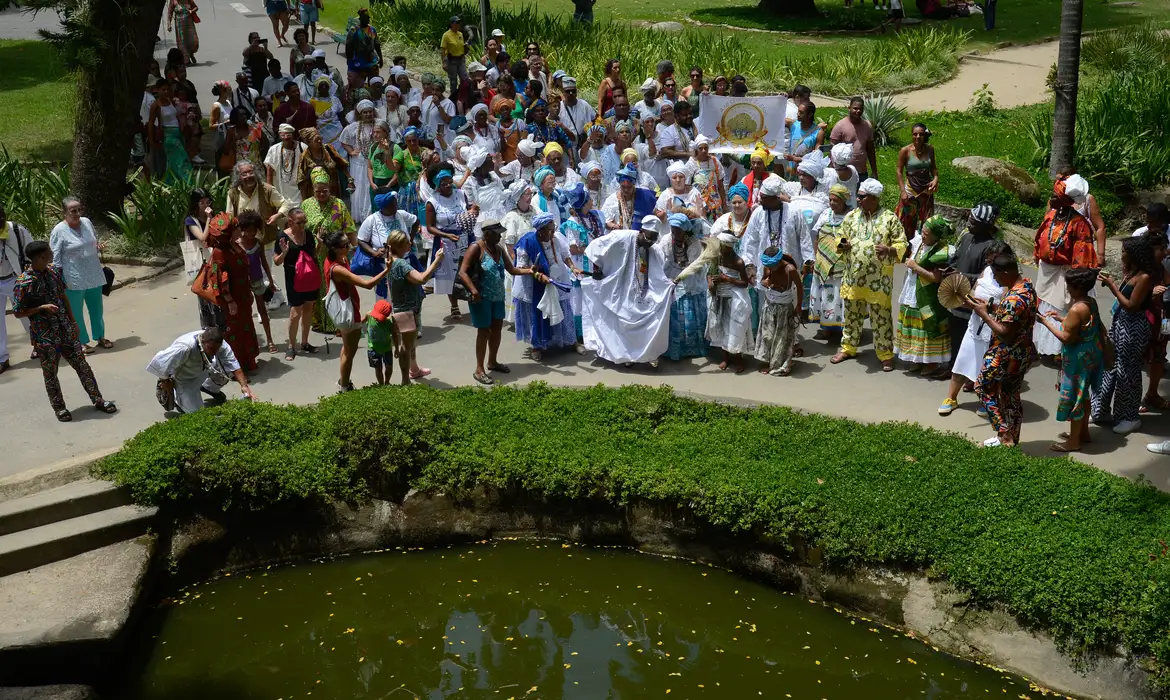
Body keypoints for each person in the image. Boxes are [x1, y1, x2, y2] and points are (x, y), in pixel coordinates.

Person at [12, 241, 117, 421]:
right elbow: (17, 312)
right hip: (44, 336)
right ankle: (59, 408)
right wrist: (40, 308)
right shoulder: (24, 282)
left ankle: (98, 399)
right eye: (49, 251)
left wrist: (74, 322)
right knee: (50, 374)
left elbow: (63, 297)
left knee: (82, 366)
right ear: (41, 256)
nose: (52, 253)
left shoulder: (54, 272)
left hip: (65, 329)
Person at [830, 179, 907, 371]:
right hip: (853, 278)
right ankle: (848, 348)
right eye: (858, 196)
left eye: (862, 197)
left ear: (874, 198)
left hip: (878, 281)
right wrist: (843, 243)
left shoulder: (889, 218)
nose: (858, 199)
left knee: (882, 318)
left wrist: (889, 249)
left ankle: (885, 354)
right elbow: (839, 236)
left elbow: (902, 243)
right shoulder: (851, 216)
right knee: (851, 315)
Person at [580, 215, 673, 367]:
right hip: (618, 287)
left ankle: (647, 353)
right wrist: (597, 269)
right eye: (649, 238)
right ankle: (626, 356)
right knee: (622, 322)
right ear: (641, 231)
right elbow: (595, 247)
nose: (651, 242)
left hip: (640, 290)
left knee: (648, 319)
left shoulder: (653, 249)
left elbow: (658, 274)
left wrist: (667, 286)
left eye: (654, 239)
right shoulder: (621, 237)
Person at [1092, 236, 1158, 435]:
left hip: (1134, 327)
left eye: (1124, 251)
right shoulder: (1131, 272)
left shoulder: (1144, 277)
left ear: (1134, 254)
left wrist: (1112, 286)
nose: (1121, 254)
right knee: (1110, 365)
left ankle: (1129, 417)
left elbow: (1131, 306)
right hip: (1120, 323)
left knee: (1127, 372)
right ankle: (1101, 410)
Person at [973, 251, 1037, 448]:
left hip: (1005, 355)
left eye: (996, 274)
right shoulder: (1027, 288)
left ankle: (1004, 435)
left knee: (983, 387)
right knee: (1010, 394)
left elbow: (1005, 333)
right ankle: (1012, 439)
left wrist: (984, 314)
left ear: (1007, 272)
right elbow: (1014, 315)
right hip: (1022, 353)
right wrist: (991, 307)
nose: (995, 279)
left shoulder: (1013, 299)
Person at [939, 240, 1010, 417]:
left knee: (988, 368)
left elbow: (1008, 308)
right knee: (962, 360)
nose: (990, 264)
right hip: (975, 325)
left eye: (994, 260)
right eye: (989, 260)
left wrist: (988, 307)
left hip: (992, 328)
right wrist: (967, 300)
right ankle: (951, 398)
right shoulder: (986, 271)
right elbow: (974, 291)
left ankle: (987, 401)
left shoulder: (1008, 279)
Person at [1037, 268, 1105, 452]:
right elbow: (1084, 326)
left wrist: (1046, 323)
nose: (1067, 288)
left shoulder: (1076, 309)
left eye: (1068, 286)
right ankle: (1083, 433)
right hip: (1091, 354)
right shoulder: (1090, 302)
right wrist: (1062, 319)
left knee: (1076, 397)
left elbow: (1067, 338)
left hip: (1078, 359)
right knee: (1084, 394)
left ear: (1076, 287)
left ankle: (1074, 441)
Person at [1033, 175, 1099, 358]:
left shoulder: (1079, 224)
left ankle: (1060, 349)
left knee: (1062, 307)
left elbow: (1082, 256)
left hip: (1065, 274)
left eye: (1055, 195)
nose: (1051, 197)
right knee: (1044, 305)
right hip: (1047, 272)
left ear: (1065, 199)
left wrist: (1073, 278)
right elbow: (1039, 240)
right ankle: (1044, 347)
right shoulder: (1050, 216)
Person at [459, 219, 532, 384]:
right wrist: (473, 290)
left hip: (498, 297)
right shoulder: (476, 248)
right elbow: (463, 272)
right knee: (483, 332)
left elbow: (511, 269)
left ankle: (492, 361)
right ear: (487, 234)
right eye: (497, 234)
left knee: (497, 329)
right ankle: (479, 369)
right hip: (481, 298)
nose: (500, 237)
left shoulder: (498, 249)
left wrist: (529, 271)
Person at [740, 175, 813, 334]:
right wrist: (749, 264)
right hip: (765, 269)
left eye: (764, 198)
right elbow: (750, 241)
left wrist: (808, 261)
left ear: (775, 198)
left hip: (788, 268)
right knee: (766, 307)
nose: (760, 201)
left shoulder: (794, 212)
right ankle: (768, 340)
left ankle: (790, 340)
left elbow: (804, 238)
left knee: (790, 306)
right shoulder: (758, 213)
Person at [322, 231, 389, 392]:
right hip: (349, 313)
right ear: (335, 249)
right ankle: (345, 387)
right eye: (345, 245)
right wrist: (387, 269)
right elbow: (367, 284)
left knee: (346, 348)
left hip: (346, 310)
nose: (350, 247)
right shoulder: (337, 268)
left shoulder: (336, 259)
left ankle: (343, 380)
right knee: (349, 353)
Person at [513, 212, 582, 361]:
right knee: (537, 313)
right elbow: (522, 267)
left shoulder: (556, 239)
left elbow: (565, 255)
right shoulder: (527, 242)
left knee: (564, 310)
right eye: (550, 230)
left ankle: (572, 341)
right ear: (540, 230)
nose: (552, 233)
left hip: (557, 280)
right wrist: (538, 275)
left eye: (553, 229)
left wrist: (573, 268)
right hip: (534, 285)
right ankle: (536, 346)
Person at [946, 202, 1001, 379]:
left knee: (969, 339)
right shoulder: (967, 237)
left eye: (973, 222)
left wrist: (962, 275)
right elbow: (956, 258)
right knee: (954, 334)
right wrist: (949, 268)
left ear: (985, 226)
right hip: (956, 294)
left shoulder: (991, 246)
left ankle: (970, 375)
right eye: (969, 219)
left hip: (972, 300)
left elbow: (987, 276)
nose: (969, 224)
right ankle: (953, 368)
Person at [49, 197, 110, 353]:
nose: (77, 213)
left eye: (79, 209)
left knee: (97, 309)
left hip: (94, 274)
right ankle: (81, 342)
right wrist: (57, 279)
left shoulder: (86, 222)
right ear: (64, 212)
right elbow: (55, 257)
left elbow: (93, 242)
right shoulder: (58, 230)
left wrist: (98, 247)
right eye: (73, 211)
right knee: (76, 312)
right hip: (73, 278)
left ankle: (100, 337)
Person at [896, 215, 954, 374]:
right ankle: (917, 359)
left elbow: (936, 278)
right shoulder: (918, 243)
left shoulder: (942, 252)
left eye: (926, 234)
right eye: (922, 231)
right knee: (912, 324)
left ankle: (931, 362)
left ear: (936, 236)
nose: (922, 235)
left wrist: (915, 267)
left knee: (927, 326)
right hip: (911, 291)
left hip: (927, 297)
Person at [302, 165, 357, 335]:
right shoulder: (306, 205)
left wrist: (353, 250)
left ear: (330, 188)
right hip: (315, 255)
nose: (321, 194)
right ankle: (320, 322)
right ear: (312, 189)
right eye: (317, 191)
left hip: (336, 255)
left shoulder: (339, 204)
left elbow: (349, 229)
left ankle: (339, 323)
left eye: (324, 191)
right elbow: (302, 231)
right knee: (318, 290)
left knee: (338, 289)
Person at [149, 327, 254, 413]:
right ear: (203, 342)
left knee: (228, 370)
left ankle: (209, 388)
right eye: (211, 349)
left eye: (216, 349)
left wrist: (244, 386)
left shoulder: (219, 344)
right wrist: (165, 381)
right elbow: (160, 363)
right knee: (198, 414)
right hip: (185, 378)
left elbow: (233, 364)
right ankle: (178, 397)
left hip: (204, 369)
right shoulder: (184, 347)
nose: (214, 352)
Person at [203, 213, 259, 371]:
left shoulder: (234, 246)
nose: (240, 230)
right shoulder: (220, 252)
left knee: (246, 327)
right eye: (237, 228)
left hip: (243, 297)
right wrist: (230, 301)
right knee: (234, 333)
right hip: (232, 301)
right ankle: (236, 368)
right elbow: (220, 279)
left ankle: (249, 362)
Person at [388, 229, 444, 383]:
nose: (410, 244)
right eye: (407, 242)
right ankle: (405, 380)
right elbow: (421, 279)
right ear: (399, 246)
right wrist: (437, 260)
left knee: (409, 344)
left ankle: (414, 370)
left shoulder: (391, 260)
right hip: (406, 310)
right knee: (406, 347)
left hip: (403, 308)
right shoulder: (401, 264)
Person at [657, 214, 707, 362]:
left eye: (678, 230)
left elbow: (693, 266)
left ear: (685, 230)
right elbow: (660, 257)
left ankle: (690, 348)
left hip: (689, 277)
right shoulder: (666, 240)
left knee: (687, 309)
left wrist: (680, 278)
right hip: (671, 274)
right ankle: (670, 348)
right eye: (673, 229)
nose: (674, 233)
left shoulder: (694, 243)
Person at [426, 166, 473, 320]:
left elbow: (468, 210)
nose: (448, 185)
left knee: (468, 271)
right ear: (437, 185)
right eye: (444, 183)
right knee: (450, 275)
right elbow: (430, 227)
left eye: (449, 181)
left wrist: (473, 210)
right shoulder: (432, 202)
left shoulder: (461, 194)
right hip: (446, 242)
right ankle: (454, 305)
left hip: (465, 238)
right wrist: (446, 234)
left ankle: (472, 299)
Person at [273, 207, 319, 360]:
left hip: (309, 276)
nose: (303, 225)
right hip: (293, 278)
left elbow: (314, 254)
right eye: (300, 223)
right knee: (295, 313)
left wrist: (320, 244)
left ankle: (305, 342)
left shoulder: (308, 234)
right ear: (290, 221)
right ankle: (291, 346)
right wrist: (284, 252)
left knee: (308, 309)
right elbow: (276, 261)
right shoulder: (282, 236)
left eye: (305, 222)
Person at [706, 232, 755, 373]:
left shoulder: (738, 262)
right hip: (719, 296)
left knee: (735, 328)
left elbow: (745, 283)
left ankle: (738, 358)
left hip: (735, 298)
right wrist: (710, 282)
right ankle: (725, 357)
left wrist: (728, 280)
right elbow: (709, 273)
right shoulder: (716, 257)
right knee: (722, 326)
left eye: (723, 246)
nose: (720, 248)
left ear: (730, 246)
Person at [359, 190, 419, 300]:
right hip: (384, 266)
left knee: (407, 295)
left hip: (405, 262)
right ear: (384, 207)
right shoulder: (372, 220)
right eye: (393, 205)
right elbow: (361, 240)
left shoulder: (401, 214)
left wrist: (410, 238)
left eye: (396, 203)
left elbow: (416, 221)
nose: (396, 206)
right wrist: (374, 252)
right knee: (387, 298)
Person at [808, 184, 850, 341]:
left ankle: (844, 330)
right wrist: (816, 256)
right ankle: (826, 328)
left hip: (842, 264)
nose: (832, 203)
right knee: (825, 295)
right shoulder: (826, 214)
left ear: (844, 201)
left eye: (836, 200)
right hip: (822, 263)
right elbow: (816, 236)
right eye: (830, 200)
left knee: (840, 297)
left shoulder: (852, 216)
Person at [754, 247, 803, 376]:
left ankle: (779, 364)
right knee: (768, 336)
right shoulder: (768, 267)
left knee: (782, 338)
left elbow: (799, 286)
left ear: (779, 260)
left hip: (785, 307)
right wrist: (766, 282)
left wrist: (798, 306)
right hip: (769, 305)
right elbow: (763, 280)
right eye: (768, 265)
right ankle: (768, 361)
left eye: (773, 265)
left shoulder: (790, 270)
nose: (771, 268)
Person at [236, 212, 280, 354]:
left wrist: (271, 281)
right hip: (242, 283)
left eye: (254, 230)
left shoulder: (258, 243)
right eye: (248, 230)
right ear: (241, 228)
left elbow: (264, 263)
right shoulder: (236, 245)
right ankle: (251, 342)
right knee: (246, 312)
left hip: (257, 280)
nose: (251, 233)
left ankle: (270, 340)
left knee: (262, 310)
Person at [0, 202, 33, 373]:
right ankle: (2, 358)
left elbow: (32, 250)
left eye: (1, 218)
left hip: (15, 278)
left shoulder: (16, 230)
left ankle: (38, 345)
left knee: (26, 314)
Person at [226, 161, 290, 247]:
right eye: (244, 174)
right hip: (242, 243)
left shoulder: (267, 190)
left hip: (266, 241)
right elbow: (229, 216)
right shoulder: (233, 193)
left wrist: (278, 215)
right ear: (238, 177)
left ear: (256, 173)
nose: (248, 176)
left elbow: (286, 204)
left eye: (251, 172)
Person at [895, 123, 939, 240]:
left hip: (926, 190)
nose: (918, 137)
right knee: (906, 221)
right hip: (910, 190)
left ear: (925, 135)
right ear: (912, 135)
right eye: (915, 134)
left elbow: (933, 168)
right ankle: (905, 244)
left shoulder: (930, 149)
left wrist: (935, 179)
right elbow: (899, 171)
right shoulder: (905, 151)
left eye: (921, 134)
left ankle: (922, 245)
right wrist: (903, 191)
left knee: (926, 221)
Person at [501, 182, 536, 325]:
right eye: (526, 194)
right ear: (518, 197)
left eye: (530, 194)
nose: (530, 197)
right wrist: (517, 265)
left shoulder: (534, 211)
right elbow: (509, 244)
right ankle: (520, 319)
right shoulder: (512, 216)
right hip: (517, 260)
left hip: (532, 257)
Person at [146, 80, 192, 183]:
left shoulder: (170, 101)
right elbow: (151, 123)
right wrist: (152, 141)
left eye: (167, 89)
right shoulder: (156, 105)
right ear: (157, 90)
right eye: (163, 89)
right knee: (181, 160)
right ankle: (187, 183)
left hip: (178, 134)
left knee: (174, 162)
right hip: (169, 136)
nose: (166, 91)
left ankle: (172, 185)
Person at [339, 100, 378, 221]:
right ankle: (362, 216)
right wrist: (351, 151)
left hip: (376, 161)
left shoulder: (379, 124)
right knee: (360, 188)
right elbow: (343, 140)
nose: (368, 114)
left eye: (370, 112)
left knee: (372, 186)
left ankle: (374, 214)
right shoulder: (354, 126)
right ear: (360, 114)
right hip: (359, 163)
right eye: (365, 112)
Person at [829, 97, 878, 181]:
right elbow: (832, 150)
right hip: (843, 173)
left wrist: (874, 171)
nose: (858, 111)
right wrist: (832, 171)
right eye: (855, 108)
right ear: (849, 108)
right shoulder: (840, 126)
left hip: (861, 172)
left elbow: (871, 150)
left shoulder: (867, 126)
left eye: (860, 109)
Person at [297, 126, 347, 200]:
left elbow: (341, 164)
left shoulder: (328, 149)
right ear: (309, 142)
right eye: (316, 140)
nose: (319, 141)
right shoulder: (305, 157)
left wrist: (350, 179)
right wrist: (304, 200)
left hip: (332, 191)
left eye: (320, 138)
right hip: (314, 194)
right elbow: (301, 180)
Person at [602, 164, 657, 231]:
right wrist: (614, 226)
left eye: (629, 187)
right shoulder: (612, 199)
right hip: (619, 234)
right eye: (623, 187)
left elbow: (654, 214)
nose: (626, 190)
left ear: (634, 184)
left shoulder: (644, 196)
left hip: (639, 234)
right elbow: (605, 220)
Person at [265, 123, 307, 206]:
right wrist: (269, 191)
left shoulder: (303, 147)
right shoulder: (274, 149)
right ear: (279, 135)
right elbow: (269, 171)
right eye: (283, 135)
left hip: (299, 191)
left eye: (288, 135)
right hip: (280, 189)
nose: (286, 137)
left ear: (293, 135)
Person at [685, 136, 727, 221]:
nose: (704, 150)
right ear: (696, 149)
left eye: (706, 148)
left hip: (715, 203)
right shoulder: (691, 163)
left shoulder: (714, 161)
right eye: (701, 148)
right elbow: (687, 186)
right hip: (699, 203)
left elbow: (720, 185)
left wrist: (724, 204)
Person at [440, 16, 469, 104]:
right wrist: (444, 62)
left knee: (464, 78)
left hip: (461, 59)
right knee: (453, 81)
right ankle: (453, 98)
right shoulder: (446, 35)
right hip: (451, 60)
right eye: (457, 23)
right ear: (452, 24)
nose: (458, 25)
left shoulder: (460, 34)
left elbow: (461, 45)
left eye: (459, 23)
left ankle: (464, 95)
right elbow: (442, 49)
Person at [345, 8, 382, 76]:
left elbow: (376, 44)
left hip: (371, 61)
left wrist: (381, 58)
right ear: (360, 18)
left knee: (374, 79)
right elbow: (348, 45)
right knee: (358, 80)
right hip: (358, 61)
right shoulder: (354, 30)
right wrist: (349, 59)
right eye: (365, 18)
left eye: (368, 17)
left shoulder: (372, 30)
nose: (368, 19)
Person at [167, 0, 199, 66]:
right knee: (182, 42)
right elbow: (170, 12)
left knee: (193, 40)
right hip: (179, 25)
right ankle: (186, 60)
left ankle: (191, 54)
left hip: (189, 24)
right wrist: (169, 24)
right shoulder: (173, 1)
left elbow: (196, 7)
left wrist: (192, 11)